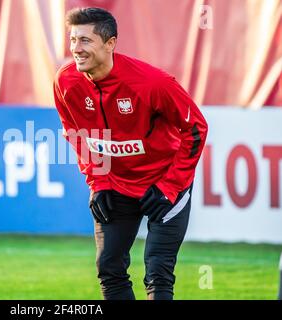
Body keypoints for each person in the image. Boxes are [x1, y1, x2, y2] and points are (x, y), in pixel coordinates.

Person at [53, 7, 208, 300]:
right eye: (73, 40)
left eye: (85, 40)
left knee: (158, 270)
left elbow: (196, 129)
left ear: (110, 43)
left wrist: (170, 186)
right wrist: (98, 182)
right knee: (109, 267)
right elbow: (76, 134)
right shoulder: (65, 81)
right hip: (114, 185)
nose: (76, 49)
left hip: (164, 185)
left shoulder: (153, 83)